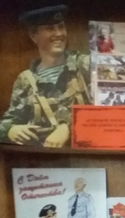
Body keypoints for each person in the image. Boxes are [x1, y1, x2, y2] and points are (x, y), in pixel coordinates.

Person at [0, 5, 90, 147]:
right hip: (40, 157)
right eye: (50, 28)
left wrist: (69, 128)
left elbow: (110, 113)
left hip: (86, 156)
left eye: (61, 27)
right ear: (33, 36)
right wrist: (11, 130)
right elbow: (9, 120)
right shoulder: (25, 80)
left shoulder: (86, 66)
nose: (59, 33)